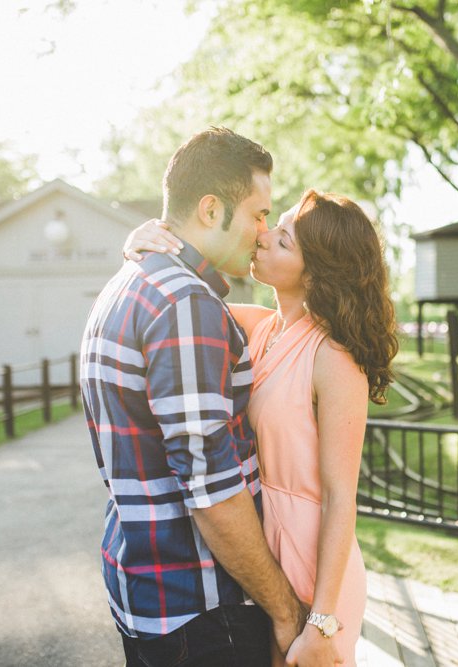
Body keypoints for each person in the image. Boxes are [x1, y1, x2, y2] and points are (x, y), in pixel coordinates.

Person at [123, 189, 399, 666]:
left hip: (314, 564)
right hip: (262, 549)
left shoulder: (333, 358)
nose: (263, 236)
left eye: (284, 240)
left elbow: (340, 498)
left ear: (315, 273)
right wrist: (140, 241)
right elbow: (172, 302)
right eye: (276, 224)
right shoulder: (259, 327)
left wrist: (323, 619)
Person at [80, 127, 308, 667]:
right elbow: (213, 491)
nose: (261, 232)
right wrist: (283, 609)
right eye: (257, 213)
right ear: (210, 209)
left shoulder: (135, 280)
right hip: (202, 609)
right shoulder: (185, 303)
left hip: (152, 593)